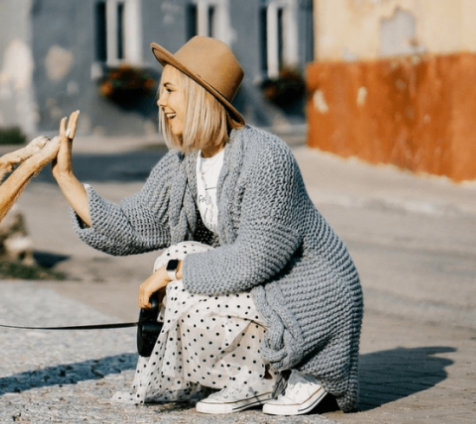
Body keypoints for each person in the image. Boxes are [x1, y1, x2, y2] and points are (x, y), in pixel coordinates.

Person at [50, 36, 363, 416]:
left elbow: (256, 258)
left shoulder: (267, 158)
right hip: (264, 291)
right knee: (176, 255)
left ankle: (291, 371)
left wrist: (172, 274)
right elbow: (135, 225)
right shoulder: (185, 162)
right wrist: (66, 178)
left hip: (309, 299)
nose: (160, 101)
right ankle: (248, 377)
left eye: (169, 90)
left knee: (178, 269)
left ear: (199, 95)